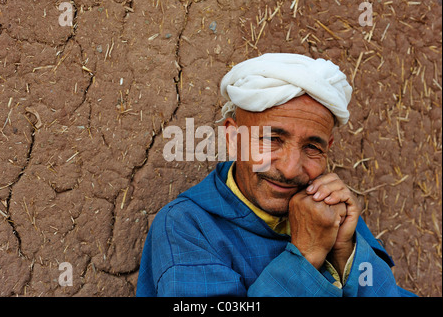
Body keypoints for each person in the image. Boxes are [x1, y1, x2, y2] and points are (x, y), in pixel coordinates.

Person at [136, 53, 416, 297]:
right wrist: (307, 255)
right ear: (233, 137)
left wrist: (345, 252)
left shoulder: (330, 211)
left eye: (312, 147)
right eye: (271, 140)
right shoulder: (187, 226)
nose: (290, 169)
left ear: (327, 149)